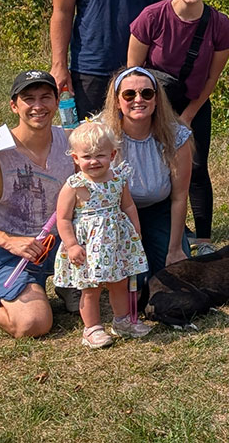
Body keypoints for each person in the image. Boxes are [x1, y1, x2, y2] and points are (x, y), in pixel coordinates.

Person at [127, 0, 229, 257]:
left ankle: (203, 238)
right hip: (150, 102)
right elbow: (132, 73)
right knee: (151, 167)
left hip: (193, 103)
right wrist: (145, 111)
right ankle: (157, 227)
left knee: (196, 168)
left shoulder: (218, 23)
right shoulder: (152, 16)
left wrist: (187, 116)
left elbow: (212, 79)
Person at [0, 70, 73, 339]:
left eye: (45, 97)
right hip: (11, 253)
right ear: (14, 105)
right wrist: (8, 241)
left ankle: (68, 285)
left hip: (62, 246)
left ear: (56, 102)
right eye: (28, 99)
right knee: (33, 324)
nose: (38, 106)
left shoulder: (71, 142)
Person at [53, 121, 152, 349]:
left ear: (112, 154)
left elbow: (127, 206)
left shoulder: (118, 179)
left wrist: (135, 229)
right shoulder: (74, 186)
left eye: (100, 155)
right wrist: (72, 245)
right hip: (88, 246)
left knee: (120, 282)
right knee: (90, 288)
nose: (94, 161)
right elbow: (63, 218)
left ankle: (122, 320)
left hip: (116, 242)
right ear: (76, 159)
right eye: (87, 156)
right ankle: (92, 328)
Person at [99, 66, 192, 289]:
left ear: (157, 99)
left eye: (146, 93)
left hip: (159, 210)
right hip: (115, 216)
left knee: (176, 278)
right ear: (117, 100)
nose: (138, 99)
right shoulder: (101, 134)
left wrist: (175, 249)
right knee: (136, 284)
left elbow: (180, 197)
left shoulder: (176, 135)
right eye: (129, 94)